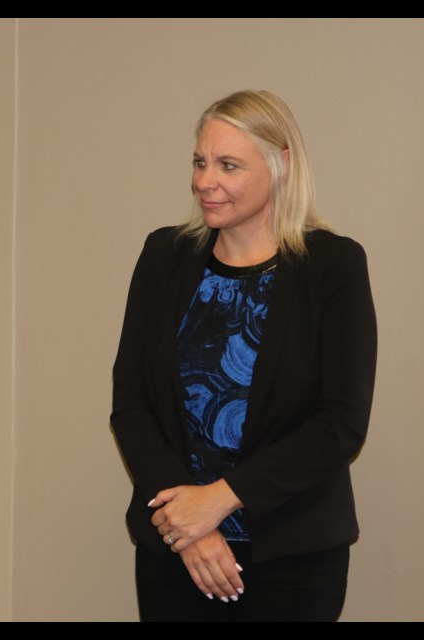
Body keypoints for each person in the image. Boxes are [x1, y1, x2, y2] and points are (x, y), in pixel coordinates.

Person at [110, 90, 376, 621]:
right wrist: (188, 526)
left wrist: (220, 499)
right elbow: (132, 406)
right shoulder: (163, 256)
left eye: (228, 165)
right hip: (175, 554)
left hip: (293, 561)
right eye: (200, 161)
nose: (205, 180)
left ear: (281, 165)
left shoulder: (334, 267)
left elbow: (340, 424)